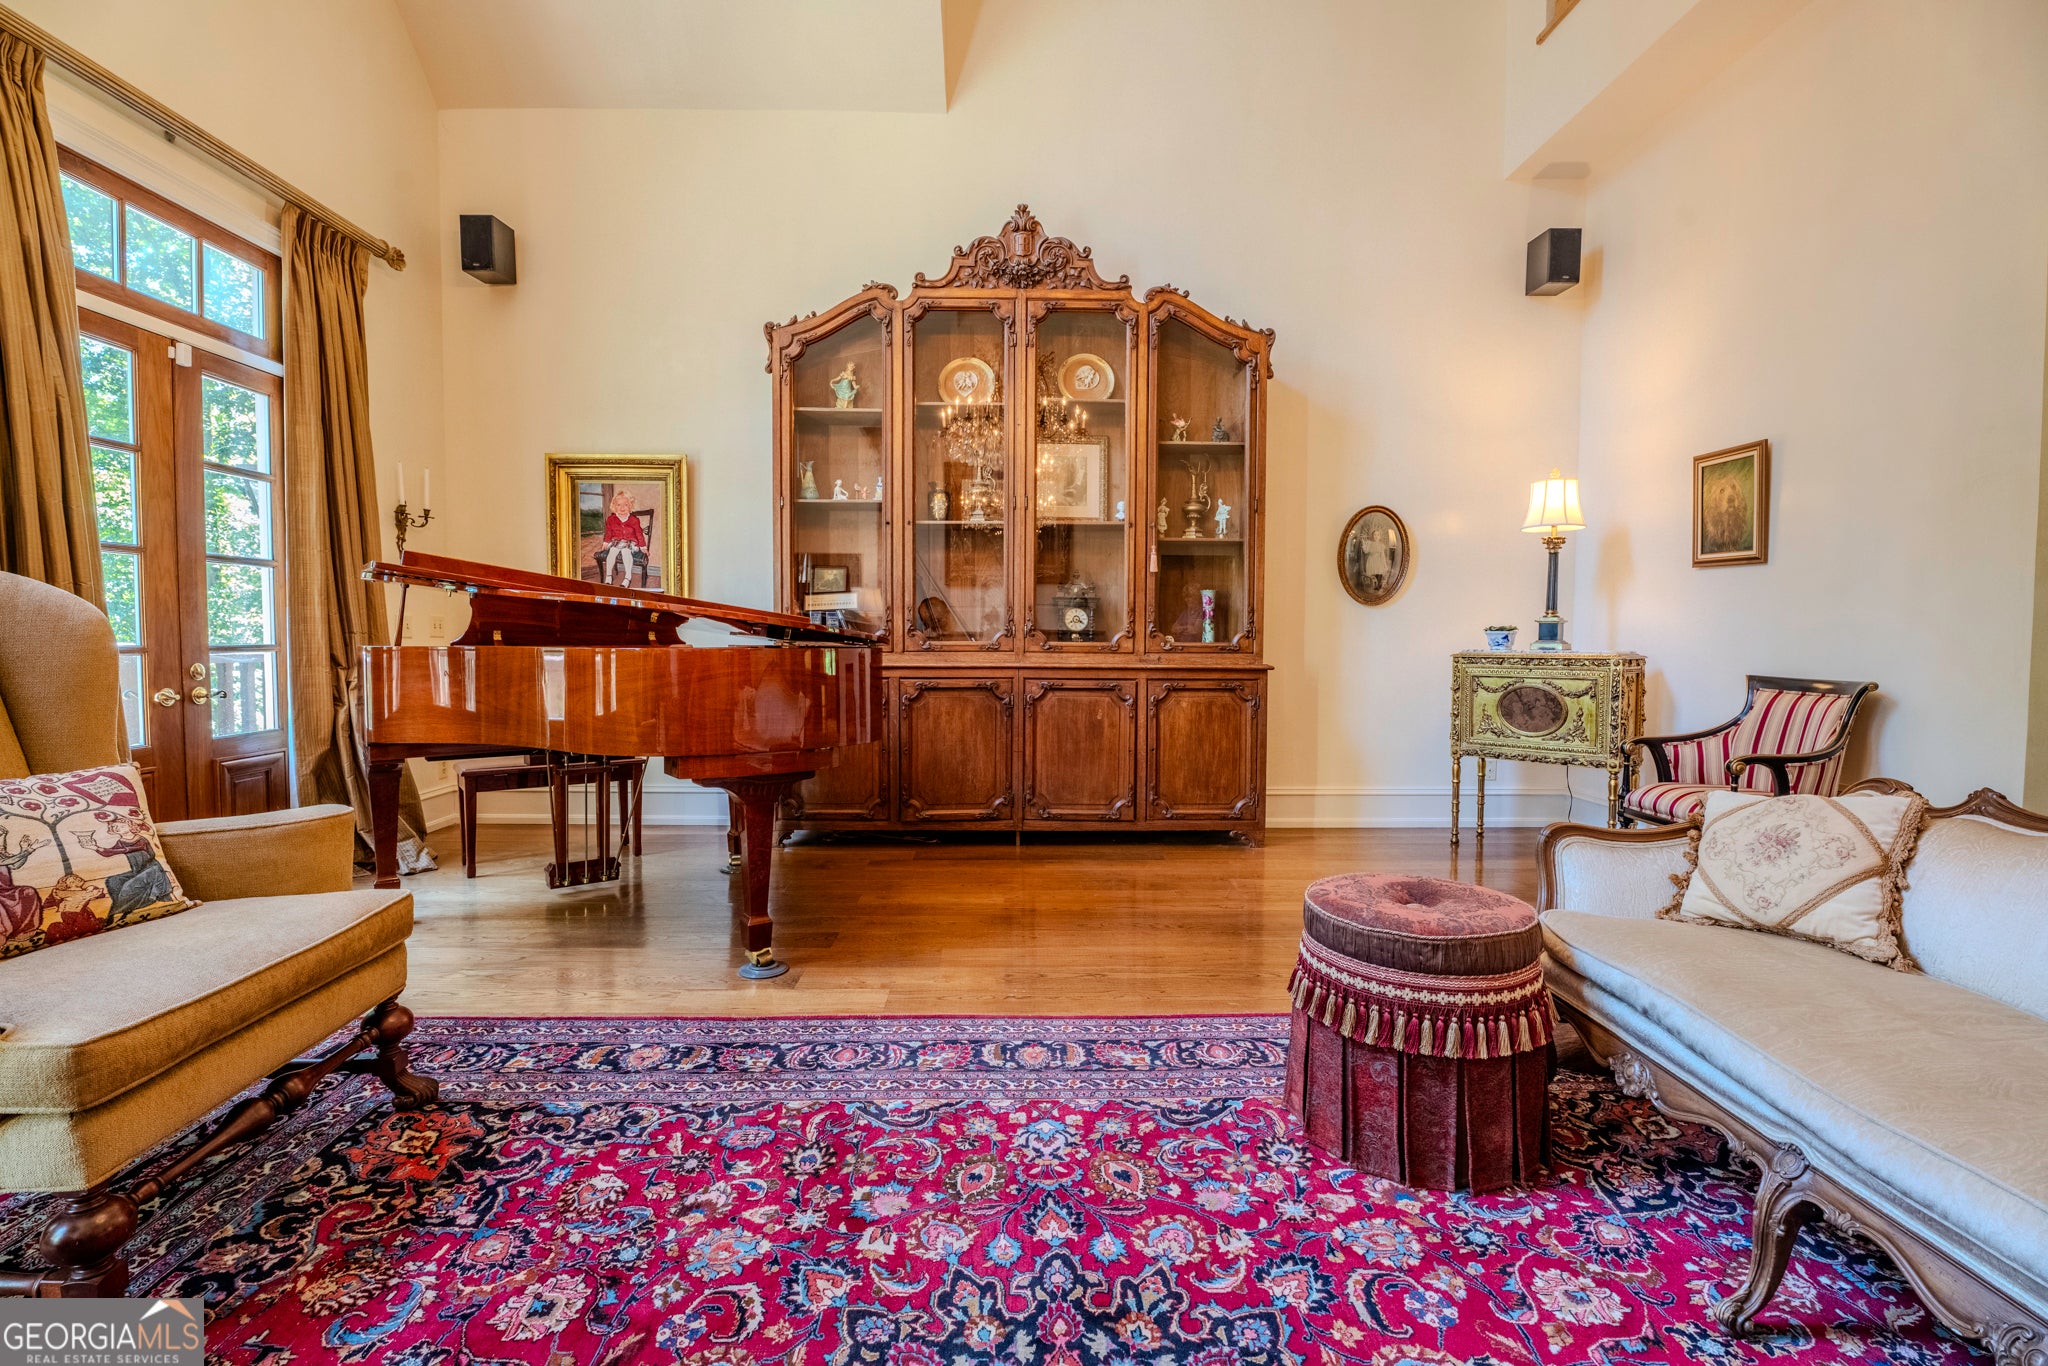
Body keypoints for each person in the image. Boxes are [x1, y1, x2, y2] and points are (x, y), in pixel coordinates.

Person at [599, 488, 649, 585]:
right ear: (614, 507)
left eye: (626, 505)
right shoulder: (611, 519)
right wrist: (605, 542)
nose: (622, 508)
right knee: (612, 552)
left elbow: (639, 534)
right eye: (619, 505)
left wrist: (643, 547)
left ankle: (628, 577)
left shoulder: (634, 520)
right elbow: (608, 532)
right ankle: (608, 575)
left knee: (626, 552)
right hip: (616, 542)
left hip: (630, 542)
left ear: (630, 506)